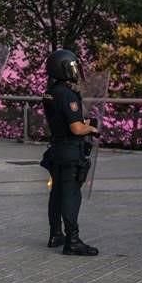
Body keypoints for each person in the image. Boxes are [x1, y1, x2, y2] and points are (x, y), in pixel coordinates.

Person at [41, 49, 100, 257]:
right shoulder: (68, 94)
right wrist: (91, 128)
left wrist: (81, 122)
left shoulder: (50, 92)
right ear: (64, 69)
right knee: (71, 195)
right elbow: (76, 128)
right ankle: (72, 241)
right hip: (70, 151)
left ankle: (55, 234)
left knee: (56, 193)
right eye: (73, 67)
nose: (75, 71)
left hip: (56, 149)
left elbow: (62, 120)